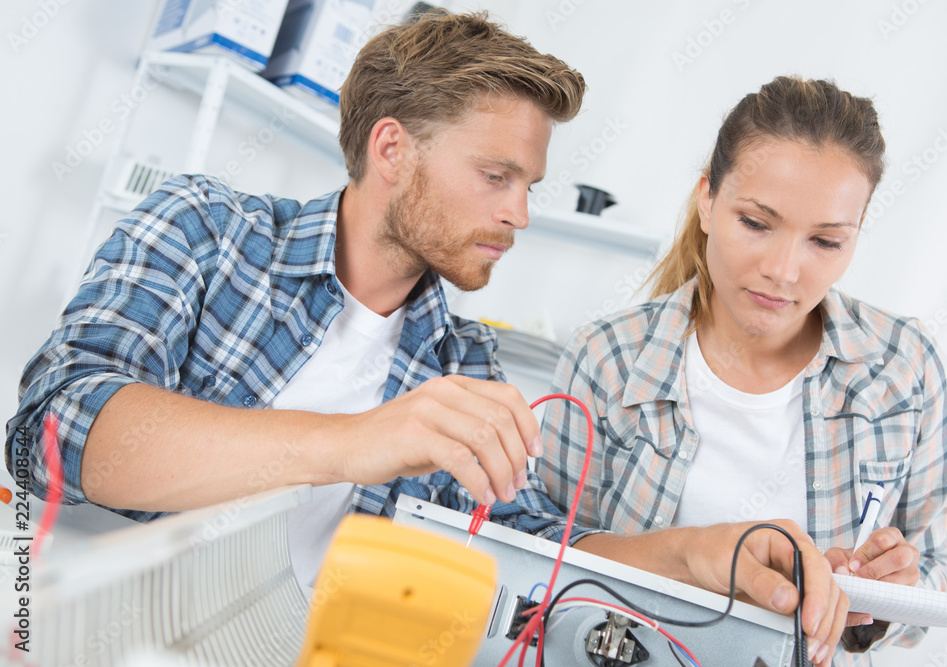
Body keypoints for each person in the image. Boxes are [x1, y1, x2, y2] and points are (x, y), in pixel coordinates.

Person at [7, 14, 845, 657]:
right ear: (393, 149)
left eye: (528, 184)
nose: (518, 213)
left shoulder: (460, 365)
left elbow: (537, 544)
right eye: (496, 176)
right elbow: (55, 433)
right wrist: (358, 442)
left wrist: (695, 554)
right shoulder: (204, 231)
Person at [536, 76, 947, 666]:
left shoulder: (905, 367)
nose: (783, 270)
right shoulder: (607, 357)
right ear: (707, 199)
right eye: (757, 224)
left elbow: (934, 573)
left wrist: (899, 593)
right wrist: (683, 554)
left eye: (825, 241)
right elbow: (542, 554)